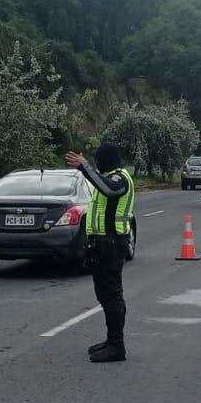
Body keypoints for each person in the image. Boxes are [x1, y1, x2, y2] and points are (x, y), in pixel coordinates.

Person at [64, 142, 135, 363]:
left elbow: (108, 188)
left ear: (108, 159)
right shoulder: (109, 176)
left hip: (113, 244)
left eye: (99, 159)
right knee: (105, 294)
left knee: (111, 294)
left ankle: (116, 345)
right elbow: (100, 183)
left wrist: (84, 166)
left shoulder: (120, 178)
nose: (97, 163)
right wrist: (84, 168)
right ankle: (111, 340)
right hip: (103, 245)